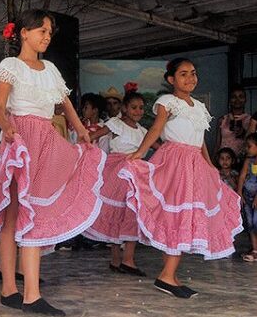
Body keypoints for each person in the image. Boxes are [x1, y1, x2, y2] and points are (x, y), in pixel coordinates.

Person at [0, 9, 105, 316]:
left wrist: (82, 131)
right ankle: (9, 289)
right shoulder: (11, 66)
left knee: (35, 211)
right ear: (23, 34)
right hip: (20, 138)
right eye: (41, 31)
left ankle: (32, 294)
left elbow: (66, 103)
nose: (46, 36)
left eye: (49, 32)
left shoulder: (52, 69)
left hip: (45, 138)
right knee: (14, 213)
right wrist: (7, 128)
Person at [120, 58, 242, 298]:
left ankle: (170, 275)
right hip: (175, 161)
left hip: (195, 162)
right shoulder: (168, 102)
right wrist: (139, 153)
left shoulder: (200, 107)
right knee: (179, 216)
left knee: (184, 217)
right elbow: (156, 129)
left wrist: (210, 167)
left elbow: (200, 142)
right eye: (184, 74)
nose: (190, 78)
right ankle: (167, 276)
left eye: (193, 73)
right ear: (171, 79)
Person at [85, 85, 156, 276]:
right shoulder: (116, 124)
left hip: (135, 172)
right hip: (117, 171)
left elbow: (158, 145)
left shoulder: (143, 131)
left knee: (131, 212)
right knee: (119, 213)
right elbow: (92, 136)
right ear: (124, 108)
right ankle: (121, 259)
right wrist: (83, 152)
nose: (138, 111)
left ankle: (125, 259)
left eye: (141, 108)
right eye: (134, 107)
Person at [237, 134, 257, 262]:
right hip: (248, 197)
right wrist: (239, 192)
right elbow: (242, 177)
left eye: (249, 146)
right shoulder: (248, 161)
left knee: (256, 223)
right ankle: (255, 250)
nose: (247, 149)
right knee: (249, 223)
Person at [216, 85, 250, 160]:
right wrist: (212, 162)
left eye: (241, 96)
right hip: (224, 161)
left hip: (242, 160)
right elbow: (218, 144)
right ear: (230, 100)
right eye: (234, 97)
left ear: (245, 99)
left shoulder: (250, 120)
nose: (237, 100)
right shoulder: (222, 120)